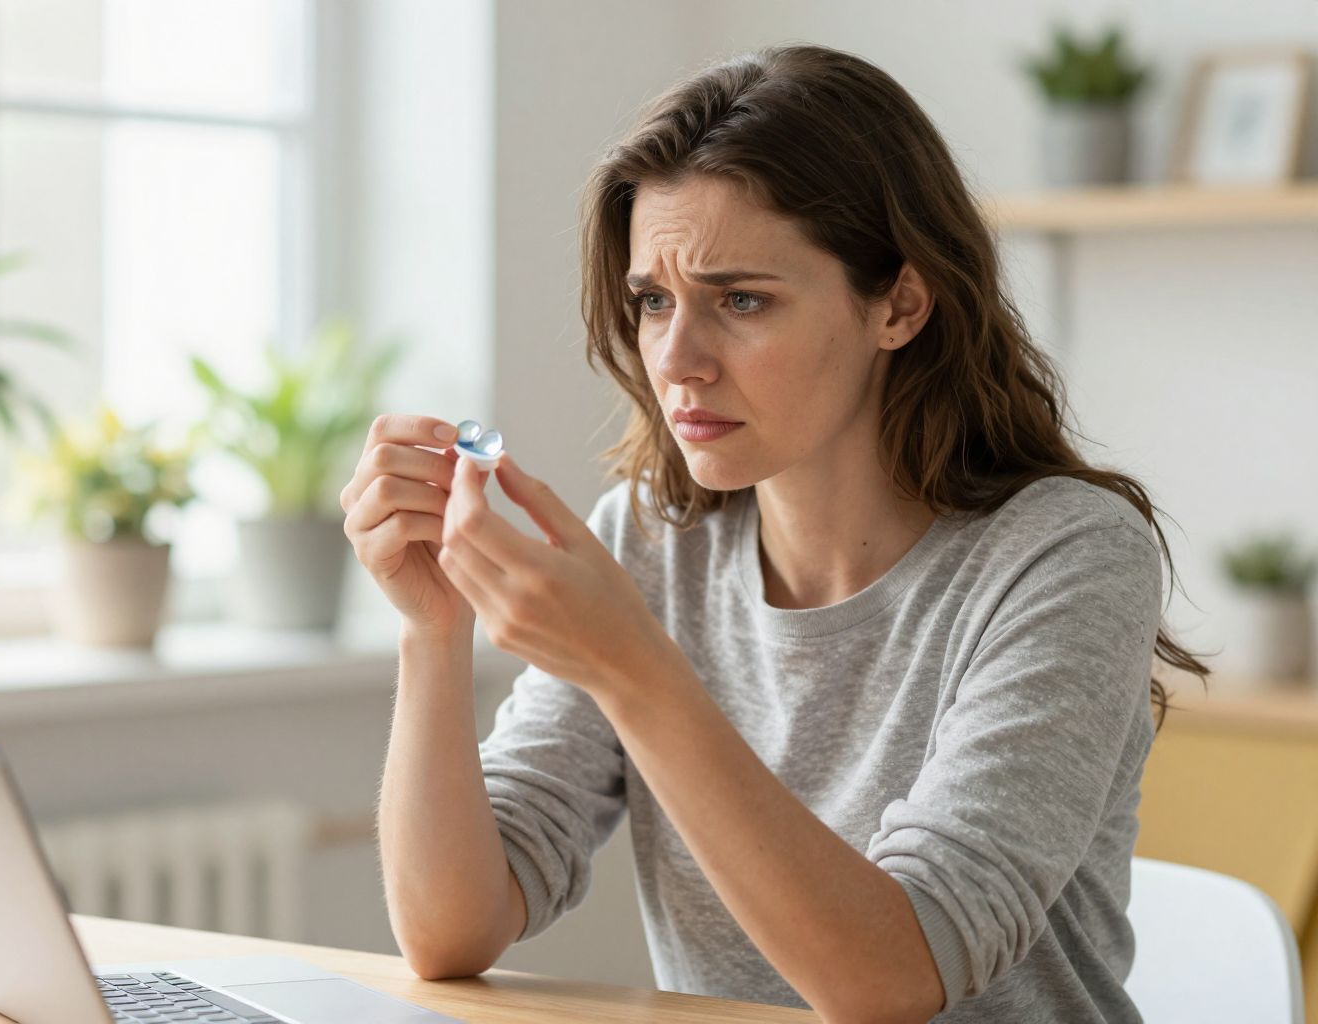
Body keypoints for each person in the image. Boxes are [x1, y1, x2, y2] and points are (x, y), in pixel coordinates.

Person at [340, 43, 1209, 1024]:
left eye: (741, 300)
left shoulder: (1065, 557)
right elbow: (449, 927)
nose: (676, 360)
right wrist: (431, 629)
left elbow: (891, 982)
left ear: (901, 304)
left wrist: (633, 668)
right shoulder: (651, 539)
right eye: (653, 301)